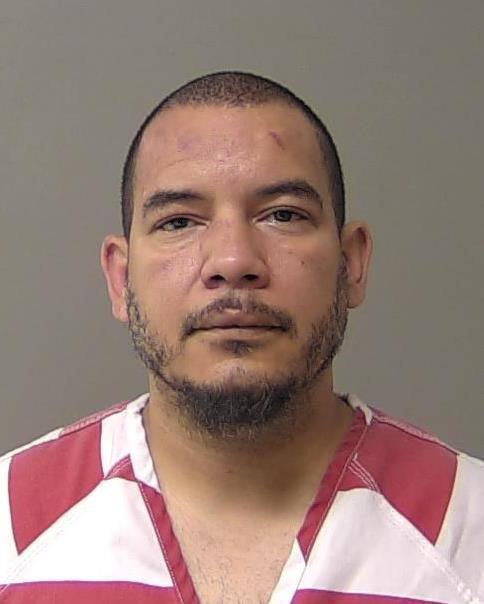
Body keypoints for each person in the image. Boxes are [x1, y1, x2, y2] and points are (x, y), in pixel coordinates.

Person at [0, 71, 482, 604]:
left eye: (283, 215)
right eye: (179, 222)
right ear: (121, 278)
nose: (233, 261)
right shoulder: (9, 527)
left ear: (351, 264)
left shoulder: (469, 530)